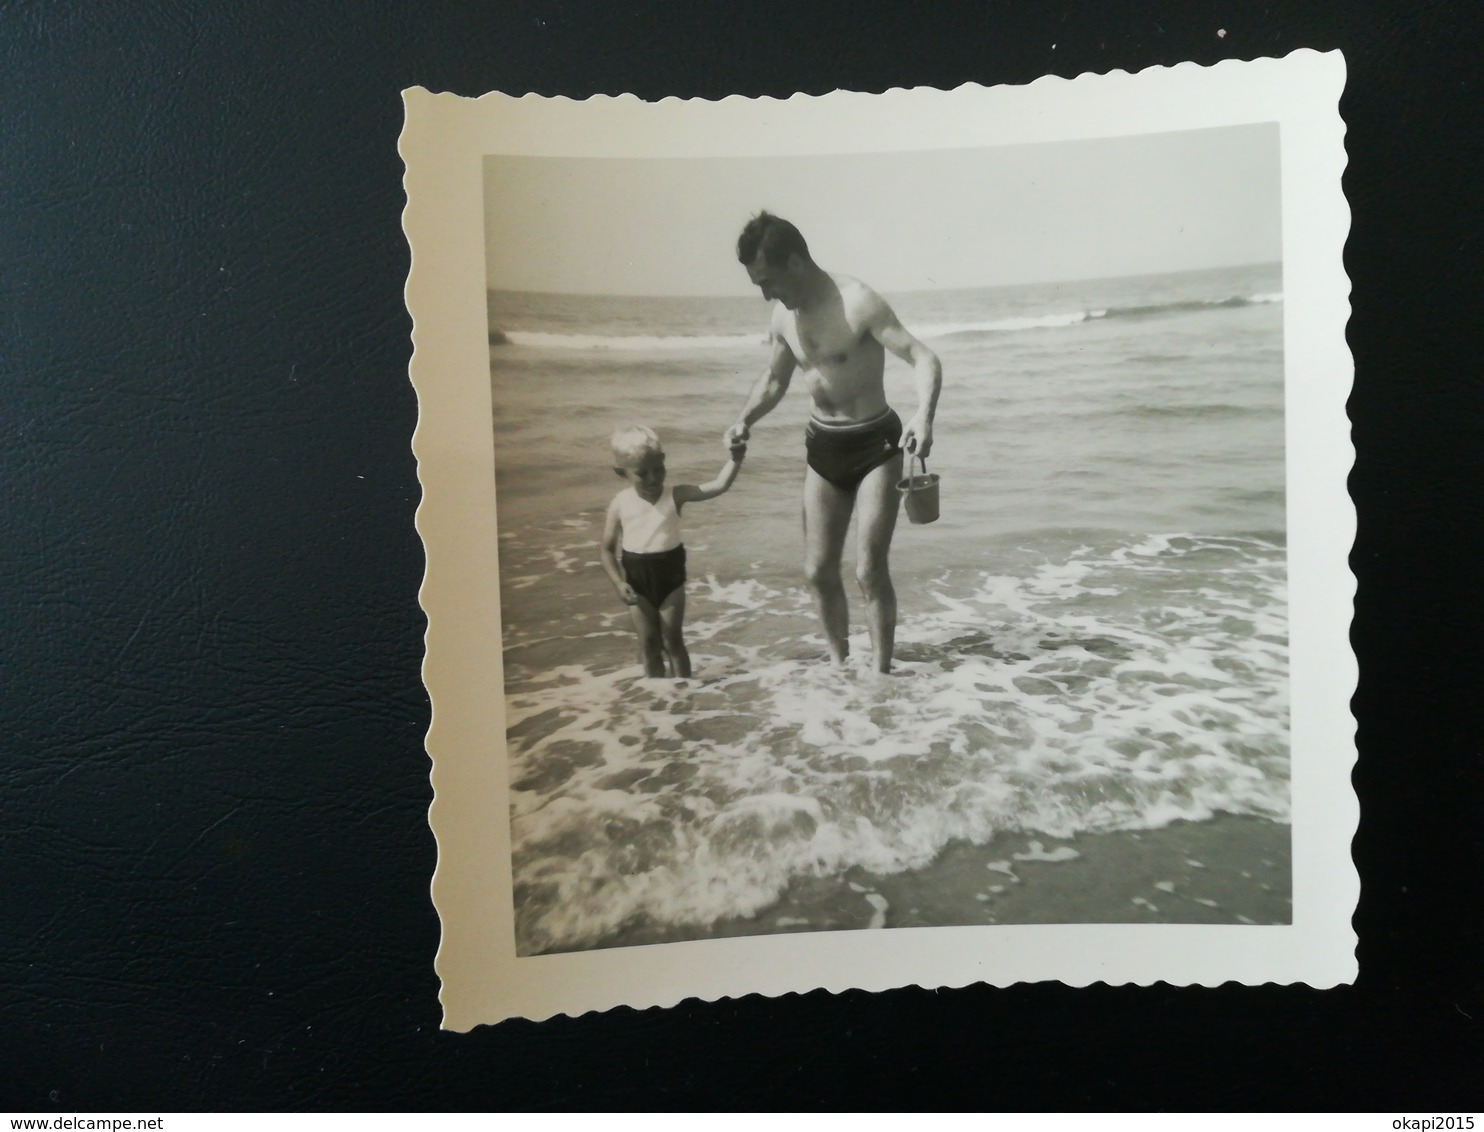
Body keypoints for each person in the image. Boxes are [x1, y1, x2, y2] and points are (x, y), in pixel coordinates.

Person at [726, 211, 941, 674]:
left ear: (796, 263)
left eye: (769, 280)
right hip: (823, 449)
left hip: (874, 446)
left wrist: (924, 416)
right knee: (818, 572)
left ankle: (881, 678)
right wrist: (744, 419)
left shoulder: (858, 302)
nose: (766, 293)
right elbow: (773, 380)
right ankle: (840, 671)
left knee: (868, 570)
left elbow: (922, 357)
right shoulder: (783, 315)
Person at [600, 425, 746, 679]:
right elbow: (607, 550)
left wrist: (735, 459)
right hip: (637, 581)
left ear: (664, 462)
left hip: (671, 580)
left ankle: (682, 695)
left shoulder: (675, 495)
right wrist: (618, 583)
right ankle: (660, 700)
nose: (653, 479)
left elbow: (718, 486)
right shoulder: (620, 504)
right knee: (649, 644)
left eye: (659, 470)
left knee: (673, 641)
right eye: (642, 474)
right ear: (621, 473)